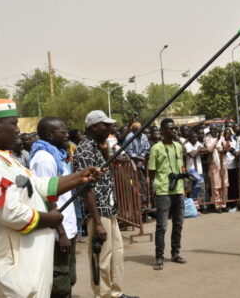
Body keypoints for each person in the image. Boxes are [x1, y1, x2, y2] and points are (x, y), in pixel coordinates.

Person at [0, 99, 102, 298]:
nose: (18, 130)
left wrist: (80, 176)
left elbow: (38, 186)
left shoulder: (5, 158)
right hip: (17, 262)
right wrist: (50, 219)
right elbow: (9, 213)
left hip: (30, 259)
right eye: (13, 123)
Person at [73, 110, 138, 298]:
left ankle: (115, 292)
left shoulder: (98, 146)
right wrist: (98, 222)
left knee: (116, 252)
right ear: (94, 127)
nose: (110, 128)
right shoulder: (84, 149)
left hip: (109, 208)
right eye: (106, 125)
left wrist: (104, 149)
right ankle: (103, 294)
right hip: (98, 212)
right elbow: (87, 188)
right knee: (102, 257)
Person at [29, 117, 78, 298]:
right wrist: (62, 233)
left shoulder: (57, 155)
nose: (67, 135)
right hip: (57, 231)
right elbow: (48, 198)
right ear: (50, 134)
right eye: (62, 131)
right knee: (59, 283)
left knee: (69, 278)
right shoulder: (44, 159)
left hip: (68, 226)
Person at [149, 118, 187, 271]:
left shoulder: (178, 146)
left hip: (178, 190)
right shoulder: (156, 148)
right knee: (162, 226)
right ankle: (159, 256)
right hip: (163, 191)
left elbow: (180, 166)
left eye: (174, 128)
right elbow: (151, 171)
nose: (174, 131)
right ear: (162, 131)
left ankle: (175, 253)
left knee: (178, 224)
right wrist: (156, 188)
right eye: (170, 129)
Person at [125, 122, 151, 210]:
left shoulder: (144, 136)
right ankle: (134, 206)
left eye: (140, 130)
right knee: (133, 185)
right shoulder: (129, 137)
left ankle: (143, 205)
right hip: (131, 163)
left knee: (144, 184)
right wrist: (139, 158)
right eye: (137, 131)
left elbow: (146, 148)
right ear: (133, 130)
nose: (139, 132)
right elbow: (129, 152)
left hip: (141, 163)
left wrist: (142, 158)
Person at [204, 126, 229, 213]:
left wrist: (225, 146)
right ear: (210, 131)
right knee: (216, 186)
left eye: (216, 130)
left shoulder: (222, 138)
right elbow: (210, 149)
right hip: (214, 164)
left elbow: (226, 148)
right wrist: (217, 140)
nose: (215, 131)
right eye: (213, 130)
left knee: (224, 185)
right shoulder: (207, 138)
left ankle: (224, 204)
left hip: (223, 163)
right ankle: (217, 206)